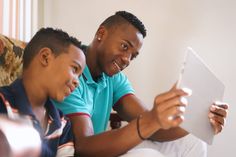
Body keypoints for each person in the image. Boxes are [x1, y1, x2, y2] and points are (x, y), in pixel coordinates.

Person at [54, 11, 228, 157]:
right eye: (124, 46)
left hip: (105, 150)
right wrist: (152, 119)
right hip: (87, 153)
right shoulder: (72, 71)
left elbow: (153, 127)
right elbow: (83, 147)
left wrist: (198, 123)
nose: (127, 60)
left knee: (192, 141)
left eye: (133, 55)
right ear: (101, 34)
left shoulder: (113, 77)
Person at [0, 27, 86, 157]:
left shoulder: (62, 123)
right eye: (74, 69)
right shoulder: (2, 102)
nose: (77, 82)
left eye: (79, 76)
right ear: (45, 57)